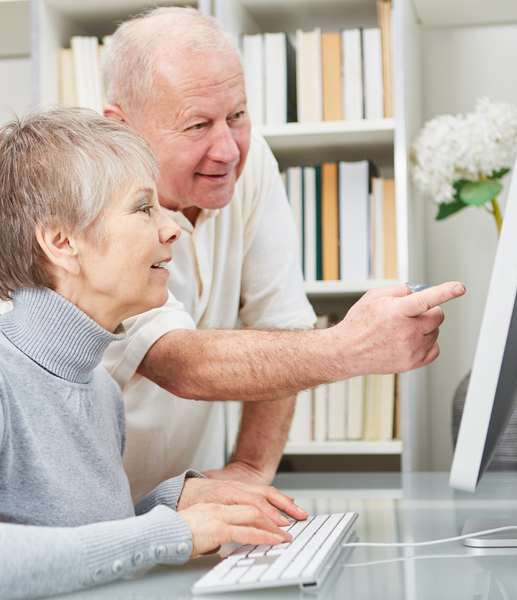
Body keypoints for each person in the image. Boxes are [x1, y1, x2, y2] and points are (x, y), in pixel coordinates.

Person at [99, 6, 467, 503]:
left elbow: (283, 321)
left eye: (238, 115)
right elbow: (175, 361)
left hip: (189, 506)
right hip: (95, 512)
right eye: (197, 125)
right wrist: (350, 347)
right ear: (121, 128)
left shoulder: (248, 168)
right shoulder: (90, 198)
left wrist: (251, 468)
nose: (229, 149)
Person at [0, 106, 307, 600]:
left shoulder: (98, 389)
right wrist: (175, 532)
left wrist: (173, 501)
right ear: (60, 240)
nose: (171, 229)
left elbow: (80, 536)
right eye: (144, 208)